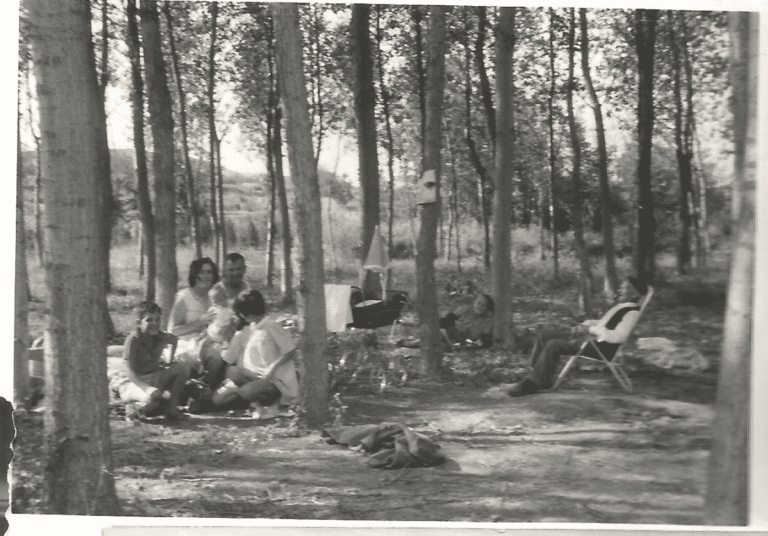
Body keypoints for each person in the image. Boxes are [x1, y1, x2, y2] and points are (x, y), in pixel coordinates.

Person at [507, 276, 649, 397]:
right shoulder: (622, 307)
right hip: (591, 340)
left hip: (600, 348)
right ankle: (536, 375)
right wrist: (584, 325)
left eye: (624, 288)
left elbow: (619, 337)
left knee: (554, 344)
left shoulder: (631, 312)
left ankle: (533, 383)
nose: (619, 290)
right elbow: (603, 323)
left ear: (634, 294)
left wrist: (590, 329)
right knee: (544, 335)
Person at [213, 290, 299, 420]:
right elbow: (230, 358)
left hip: (274, 380)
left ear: (249, 312)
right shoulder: (251, 328)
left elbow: (290, 350)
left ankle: (272, 405)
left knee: (246, 392)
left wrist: (272, 368)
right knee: (231, 374)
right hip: (256, 376)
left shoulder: (271, 326)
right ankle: (250, 399)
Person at [123, 301, 190, 422]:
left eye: (157, 319)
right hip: (136, 382)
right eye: (149, 320)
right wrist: (146, 388)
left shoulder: (161, 336)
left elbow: (174, 340)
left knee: (183, 368)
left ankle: (172, 409)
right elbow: (128, 369)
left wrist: (170, 360)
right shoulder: (133, 340)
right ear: (139, 322)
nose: (155, 323)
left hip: (155, 377)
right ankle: (134, 408)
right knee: (152, 400)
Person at [167, 257, 225, 387]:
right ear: (195, 274)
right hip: (188, 343)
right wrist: (200, 321)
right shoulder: (184, 296)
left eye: (209, 272)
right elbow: (172, 330)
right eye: (202, 272)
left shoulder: (217, 297)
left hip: (212, 340)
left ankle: (206, 387)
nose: (206, 276)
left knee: (221, 354)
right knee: (208, 355)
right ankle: (198, 388)